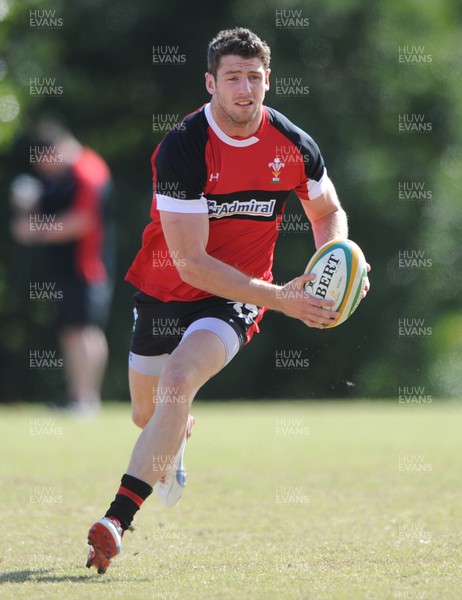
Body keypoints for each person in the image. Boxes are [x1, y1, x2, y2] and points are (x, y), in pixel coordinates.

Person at [85, 27, 370, 574]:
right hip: (168, 288)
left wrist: (338, 259)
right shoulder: (184, 147)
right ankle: (176, 434)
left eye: (255, 77)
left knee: (177, 383)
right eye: (233, 77)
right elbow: (190, 262)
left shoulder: (293, 145)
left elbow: (327, 211)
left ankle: (115, 521)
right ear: (211, 83)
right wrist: (284, 300)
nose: (245, 88)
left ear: (268, 82)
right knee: (148, 413)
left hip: (236, 297)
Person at [10, 121, 115, 414]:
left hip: (87, 266)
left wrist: (36, 231)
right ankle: (77, 396)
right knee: (70, 330)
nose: (44, 170)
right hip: (64, 268)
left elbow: (83, 220)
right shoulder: (62, 176)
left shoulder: (87, 171)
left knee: (85, 330)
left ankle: (86, 398)